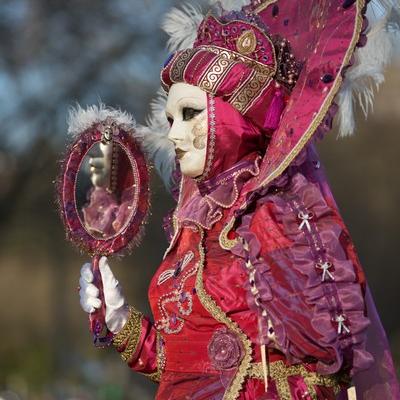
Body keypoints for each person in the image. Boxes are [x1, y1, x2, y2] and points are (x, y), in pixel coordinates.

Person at [77, 1, 400, 399]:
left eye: (190, 113)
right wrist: (119, 316)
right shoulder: (191, 229)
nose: (175, 135)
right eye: (170, 119)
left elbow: (324, 369)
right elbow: (180, 368)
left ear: (235, 115)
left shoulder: (278, 216)